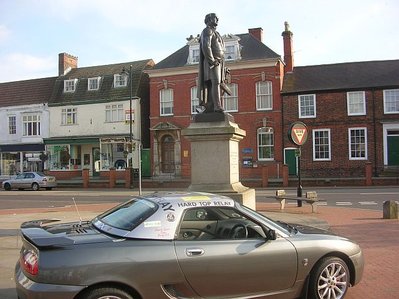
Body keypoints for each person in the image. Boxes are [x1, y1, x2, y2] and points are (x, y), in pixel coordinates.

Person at [197, 13, 231, 113]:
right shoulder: (207, 30)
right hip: (212, 62)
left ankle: (211, 105)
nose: (217, 19)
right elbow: (206, 46)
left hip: (219, 62)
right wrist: (212, 61)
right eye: (214, 18)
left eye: (217, 18)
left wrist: (224, 68)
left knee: (217, 83)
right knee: (215, 83)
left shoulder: (217, 33)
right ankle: (217, 106)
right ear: (209, 19)